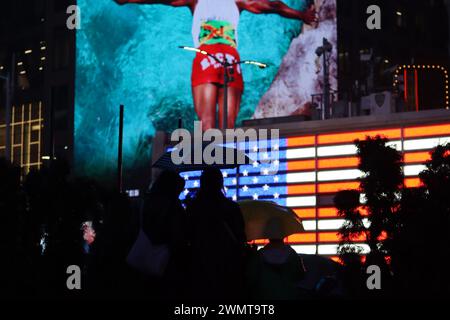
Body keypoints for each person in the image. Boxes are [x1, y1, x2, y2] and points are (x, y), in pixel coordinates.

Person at [114, 0, 317, 130]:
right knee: (228, 127)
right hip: (230, 59)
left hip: (207, 58)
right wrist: (302, 16)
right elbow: (273, 6)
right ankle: (224, 180)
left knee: (207, 124)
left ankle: (207, 179)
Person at [186, 167, 247, 300]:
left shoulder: (194, 208)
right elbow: (240, 235)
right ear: (220, 182)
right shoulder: (231, 207)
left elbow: (187, 234)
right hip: (227, 265)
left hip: (199, 265)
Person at [141, 170, 188, 299]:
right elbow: (177, 236)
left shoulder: (147, 203)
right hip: (168, 265)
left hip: (145, 262)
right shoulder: (173, 207)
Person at [246, 235, 306, 300]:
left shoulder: (259, 255)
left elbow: (250, 278)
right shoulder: (292, 254)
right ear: (283, 236)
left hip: (264, 295)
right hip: (288, 295)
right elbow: (300, 275)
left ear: (268, 237)